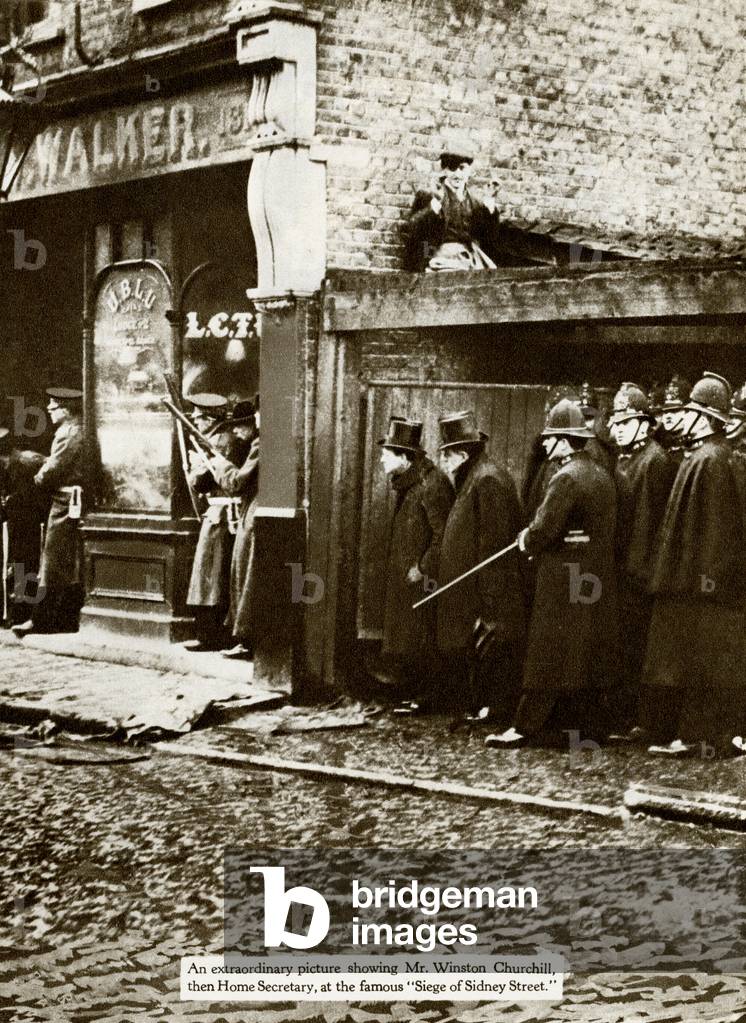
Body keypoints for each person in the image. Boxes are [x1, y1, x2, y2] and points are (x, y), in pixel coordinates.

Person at [486, 399, 617, 748]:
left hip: (562, 579)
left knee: (548, 651)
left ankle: (524, 726)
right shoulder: (600, 474)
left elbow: (544, 528)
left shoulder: (565, 477)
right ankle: (591, 730)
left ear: (564, 441)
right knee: (583, 652)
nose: (544, 444)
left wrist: (525, 540)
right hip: (592, 578)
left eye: (549, 438)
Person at [641, 373, 746, 756]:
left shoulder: (711, 460)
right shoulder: (707, 456)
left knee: (702, 665)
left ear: (703, 418)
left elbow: (717, 533)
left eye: (688, 412)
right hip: (696, 585)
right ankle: (691, 735)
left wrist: (706, 583)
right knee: (691, 664)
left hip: (703, 589)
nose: (681, 418)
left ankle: (698, 738)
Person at [436, 411, 525, 725]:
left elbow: (494, 544)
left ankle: (493, 708)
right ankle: (482, 706)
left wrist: (490, 598)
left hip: (489, 591)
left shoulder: (487, 479)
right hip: (475, 590)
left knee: (493, 648)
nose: (443, 461)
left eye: (446, 455)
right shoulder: (475, 475)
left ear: (462, 455)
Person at [606, 383, 675, 735]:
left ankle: (636, 718)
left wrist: (635, 572)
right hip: (622, 569)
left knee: (636, 646)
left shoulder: (653, 461)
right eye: (616, 423)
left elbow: (647, 524)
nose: (618, 429)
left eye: (627, 422)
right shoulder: (627, 458)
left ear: (646, 425)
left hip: (638, 573)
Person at [375, 417, 453, 712]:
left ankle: (426, 698)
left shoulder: (431, 485)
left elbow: (444, 534)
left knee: (423, 636)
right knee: (409, 636)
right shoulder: (410, 483)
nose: (382, 459)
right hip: (410, 578)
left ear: (405, 458)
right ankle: (413, 694)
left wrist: (422, 568)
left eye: (387, 453)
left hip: (425, 579)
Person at [183, 393, 252, 652]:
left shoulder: (221, 441)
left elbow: (202, 481)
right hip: (221, 513)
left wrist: (195, 468)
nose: (196, 421)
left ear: (209, 419)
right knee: (214, 574)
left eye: (199, 417)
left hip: (222, 515)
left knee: (211, 575)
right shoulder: (220, 439)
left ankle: (211, 635)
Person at [13, 388, 85, 635]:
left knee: (53, 562)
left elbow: (55, 468)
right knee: (65, 562)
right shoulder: (74, 429)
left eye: (54, 405)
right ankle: (61, 618)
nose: (49, 409)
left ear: (67, 409)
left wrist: (37, 476)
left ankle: (42, 620)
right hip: (68, 499)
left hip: (66, 502)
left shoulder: (69, 432)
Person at [205, 398, 260, 660]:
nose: (235, 431)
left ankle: (247, 639)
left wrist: (218, 465)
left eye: (241, 425)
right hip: (254, 511)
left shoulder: (261, 443)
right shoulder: (260, 442)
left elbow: (237, 482)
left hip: (255, 514)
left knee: (245, 575)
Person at [405, 142, 501, 271]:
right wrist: (436, 204)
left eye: (462, 168)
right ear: (444, 170)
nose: (457, 174)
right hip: (438, 257)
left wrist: (490, 201)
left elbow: (489, 237)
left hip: (468, 258)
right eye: (452, 168)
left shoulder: (475, 202)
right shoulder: (428, 195)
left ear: (470, 171)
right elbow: (414, 228)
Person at [0, 429, 46, 625]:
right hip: (14, 522)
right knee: (17, 565)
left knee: (24, 565)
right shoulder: (11, 464)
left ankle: (22, 613)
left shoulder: (27, 461)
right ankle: (16, 612)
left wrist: (10, 500)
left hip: (27, 523)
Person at [654, 375, 691, 469]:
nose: (668, 416)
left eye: (675, 411)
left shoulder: (692, 446)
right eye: (665, 412)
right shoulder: (659, 445)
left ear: (687, 412)